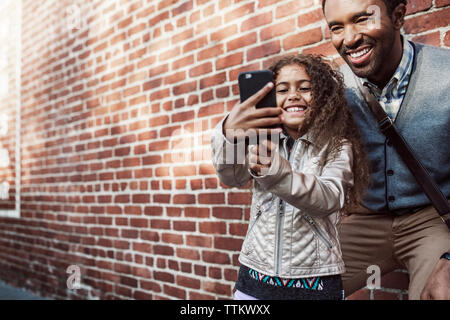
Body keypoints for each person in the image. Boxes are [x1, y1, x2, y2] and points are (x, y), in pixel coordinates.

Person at [211, 54, 369, 300]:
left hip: (315, 280)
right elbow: (231, 176)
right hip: (254, 276)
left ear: (323, 96)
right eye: (282, 90)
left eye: (305, 88)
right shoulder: (262, 139)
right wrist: (230, 132)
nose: (294, 95)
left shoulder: (337, 145)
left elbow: (329, 197)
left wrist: (276, 173)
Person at [321, 0, 450, 299]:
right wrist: (232, 134)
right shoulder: (333, 87)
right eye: (337, 27)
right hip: (365, 221)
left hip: (432, 220)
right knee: (289, 285)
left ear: (398, 16)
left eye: (363, 19)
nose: (349, 38)